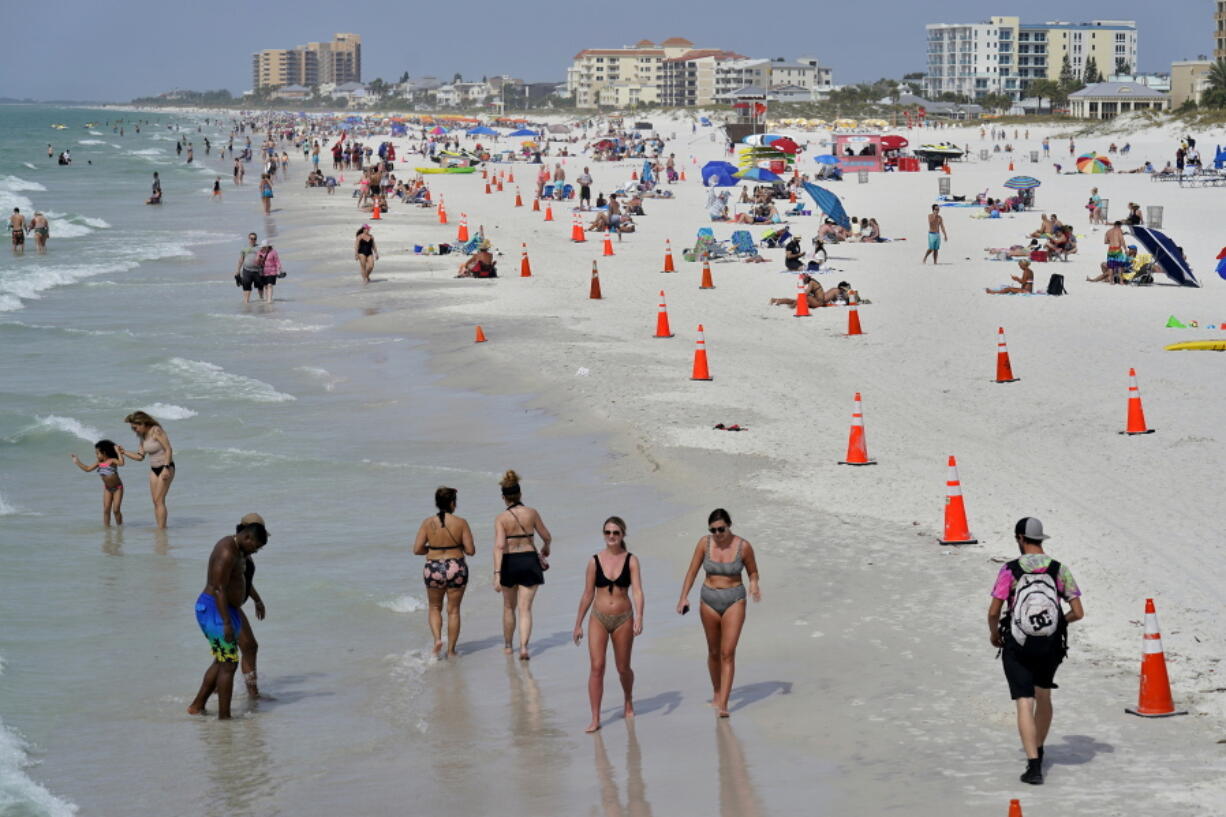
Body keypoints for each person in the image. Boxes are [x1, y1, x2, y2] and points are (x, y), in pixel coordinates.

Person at [988, 517, 1084, 785]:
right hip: (1050, 644)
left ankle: (1033, 766)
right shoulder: (1058, 569)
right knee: (1044, 696)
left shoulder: (1010, 570)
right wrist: (1056, 623)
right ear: (1041, 539)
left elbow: (995, 610)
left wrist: (995, 634)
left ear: (1020, 538)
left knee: (1024, 701)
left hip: (1017, 643)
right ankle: (1040, 750)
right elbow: (1078, 612)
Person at [675, 509, 761, 717]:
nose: (717, 533)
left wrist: (754, 584)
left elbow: (752, 571)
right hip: (709, 600)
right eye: (713, 530)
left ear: (729, 525)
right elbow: (692, 571)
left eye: (721, 529)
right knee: (713, 652)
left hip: (735, 600)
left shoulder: (744, 546)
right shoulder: (704, 544)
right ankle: (716, 691)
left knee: (727, 653)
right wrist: (683, 596)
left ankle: (724, 704)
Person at [187, 517, 269, 719]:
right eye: (255, 547)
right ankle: (224, 718)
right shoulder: (226, 551)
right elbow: (218, 588)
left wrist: (256, 600)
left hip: (227, 609)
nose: (254, 552)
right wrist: (226, 623)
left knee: (222, 661)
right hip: (213, 608)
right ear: (247, 536)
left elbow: (241, 581)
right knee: (229, 663)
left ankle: (197, 706)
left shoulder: (240, 549)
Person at [573, 516, 644, 733]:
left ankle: (628, 699)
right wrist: (578, 624)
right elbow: (587, 594)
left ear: (623, 535)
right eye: (607, 532)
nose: (611, 536)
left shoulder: (631, 560)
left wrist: (639, 616)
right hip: (599, 617)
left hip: (624, 618)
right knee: (597, 667)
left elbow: (638, 591)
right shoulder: (594, 561)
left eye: (615, 532)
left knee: (622, 667)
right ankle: (595, 718)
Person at [493, 469, 553, 661]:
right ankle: (525, 648)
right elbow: (547, 536)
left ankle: (509, 647)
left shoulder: (501, 518)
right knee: (525, 609)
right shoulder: (531, 513)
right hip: (529, 560)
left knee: (508, 607)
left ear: (504, 498)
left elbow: (500, 546)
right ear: (520, 494)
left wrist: (496, 573)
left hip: (510, 562)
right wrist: (546, 547)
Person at [413, 486, 476, 658]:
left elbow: (417, 549)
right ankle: (451, 651)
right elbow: (470, 551)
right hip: (456, 566)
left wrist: (432, 549)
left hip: (433, 567)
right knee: (453, 610)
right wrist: (457, 547)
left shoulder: (427, 523)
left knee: (434, 607)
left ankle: (437, 640)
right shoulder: (461, 522)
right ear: (452, 503)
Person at [117, 410, 174, 528]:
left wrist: (166, 468)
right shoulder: (142, 436)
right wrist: (124, 452)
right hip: (154, 470)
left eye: (135, 427)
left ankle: (162, 530)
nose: (134, 430)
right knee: (155, 502)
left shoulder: (156, 430)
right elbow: (140, 457)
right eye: (132, 428)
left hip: (165, 467)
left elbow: (168, 449)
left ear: (143, 423)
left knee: (159, 500)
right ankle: (160, 528)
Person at [234, 512, 270, 700]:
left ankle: (216, 691)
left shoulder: (243, 551)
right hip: (228, 607)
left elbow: (245, 580)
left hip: (233, 606)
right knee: (249, 647)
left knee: (232, 652)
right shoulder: (235, 552)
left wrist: (256, 599)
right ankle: (253, 693)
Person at [70, 439, 125, 526]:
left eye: (97, 453)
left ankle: (120, 527)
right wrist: (77, 462)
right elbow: (87, 469)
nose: (96, 455)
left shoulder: (112, 460)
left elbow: (121, 463)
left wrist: (118, 452)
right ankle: (107, 529)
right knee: (106, 510)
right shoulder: (99, 463)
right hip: (108, 489)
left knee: (116, 510)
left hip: (118, 488)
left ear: (104, 453)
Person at [236, 231, 264, 304]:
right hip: (247, 270)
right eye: (251, 238)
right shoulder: (244, 248)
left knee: (260, 286)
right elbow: (241, 260)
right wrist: (238, 270)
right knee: (246, 287)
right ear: (248, 239)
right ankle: (246, 302)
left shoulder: (260, 248)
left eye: (254, 239)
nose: (253, 240)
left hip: (257, 271)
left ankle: (261, 299)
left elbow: (264, 258)